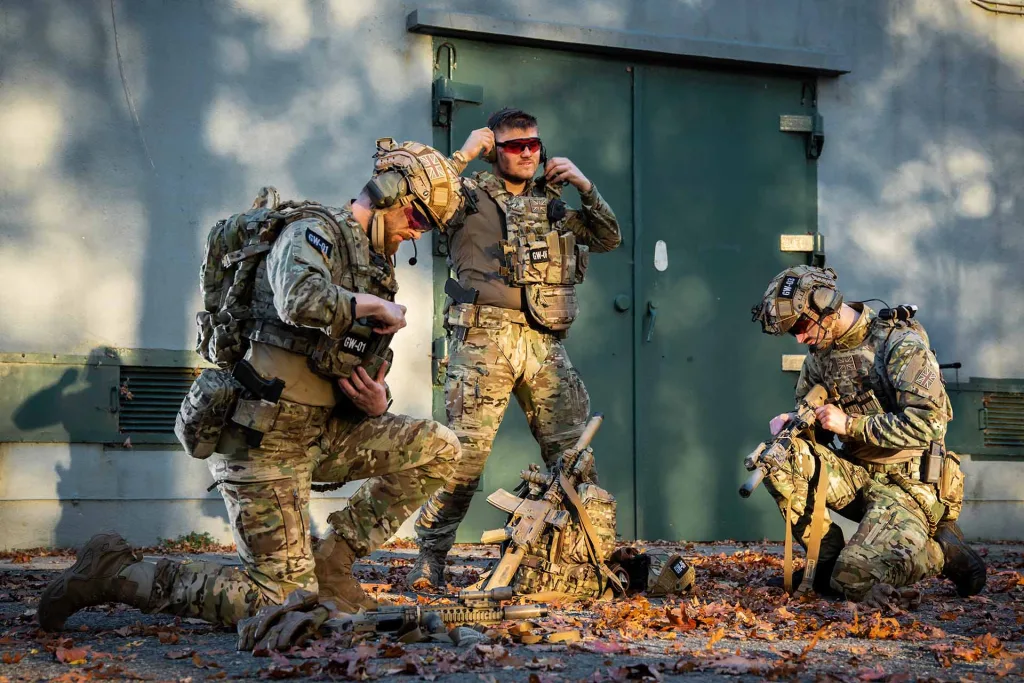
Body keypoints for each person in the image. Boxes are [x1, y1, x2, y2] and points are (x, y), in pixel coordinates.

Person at [38, 139, 472, 645]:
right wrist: (372, 307)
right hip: (261, 440)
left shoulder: (372, 265)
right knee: (279, 605)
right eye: (417, 217)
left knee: (440, 447)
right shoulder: (313, 231)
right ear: (388, 192)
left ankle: (330, 566)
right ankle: (114, 572)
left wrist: (378, 402)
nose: (414, 231)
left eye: (425, 228)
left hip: (323, 436)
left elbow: (354, 366)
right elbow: (298, 298)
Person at [407, 107, 622, 589]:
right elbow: (420, 200)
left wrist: (586, 187)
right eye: (513, 146)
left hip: (544, 342)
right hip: (483, 339)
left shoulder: (555, 202)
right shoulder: (466, 195)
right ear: (495, 149)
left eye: (533, 145)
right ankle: (431, 557)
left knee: (572, 455)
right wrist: (463, 154)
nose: (526, 153)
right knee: (463, 457)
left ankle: (586, 556)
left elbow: (609, 236)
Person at [750, 265, 986, 606]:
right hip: (858, 476)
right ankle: (824, 561)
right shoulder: (821, 357)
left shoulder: (899, 344)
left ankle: (940, 554)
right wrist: (797, 423)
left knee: (853, 581)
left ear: (826, 304)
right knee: (779, 457)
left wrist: (850, 425)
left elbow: (930, 424)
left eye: (800, 326)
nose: (800, 338)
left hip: (910, 488)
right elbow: (815, 422)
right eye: (792, 333)